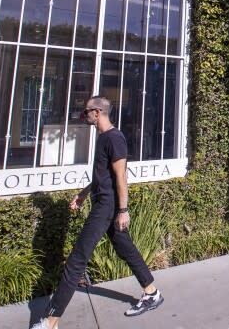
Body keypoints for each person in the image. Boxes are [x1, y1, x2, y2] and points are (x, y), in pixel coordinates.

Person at [31, 96, 163, 329]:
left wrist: (123, 210)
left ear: (98, 112)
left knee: (75, 261)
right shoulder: (104, 139)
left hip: (107, 207)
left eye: (86, 112)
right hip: (102, 202)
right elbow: (103, 176)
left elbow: (121, 176)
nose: (84, 116)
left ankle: (50, 322)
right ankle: (152, 293)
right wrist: (83, 194)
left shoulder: (114, 138)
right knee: (125, 248)